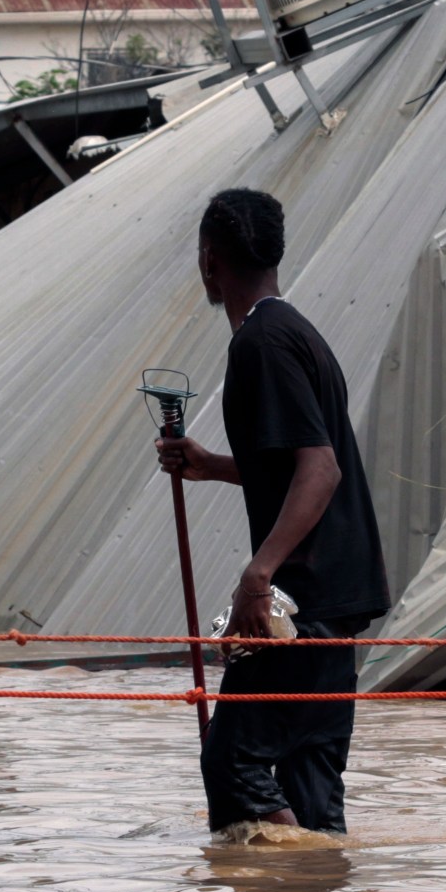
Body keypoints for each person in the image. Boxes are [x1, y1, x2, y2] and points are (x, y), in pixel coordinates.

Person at [154, 188, 390, 840]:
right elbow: (296, 466)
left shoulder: (260, 343)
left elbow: (321, 469)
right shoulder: (299, 333)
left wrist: (258, 576)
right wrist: (215, 465)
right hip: (336, 610)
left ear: (209, 262)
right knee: (312, 790)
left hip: (300, 606)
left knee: (232, 762)